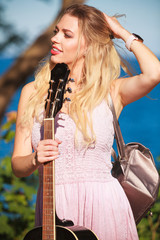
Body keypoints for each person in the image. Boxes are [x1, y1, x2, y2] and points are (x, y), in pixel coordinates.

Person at [11, 3, 160, 240]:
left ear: (88, 45)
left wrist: (120, 32)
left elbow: (154, 73)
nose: (55, 38)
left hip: (105, 207)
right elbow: (17, 166)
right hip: (54, 207)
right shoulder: (33, 92)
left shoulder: (110, 91)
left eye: (67, 34)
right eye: (56, 31)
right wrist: (34, 158)